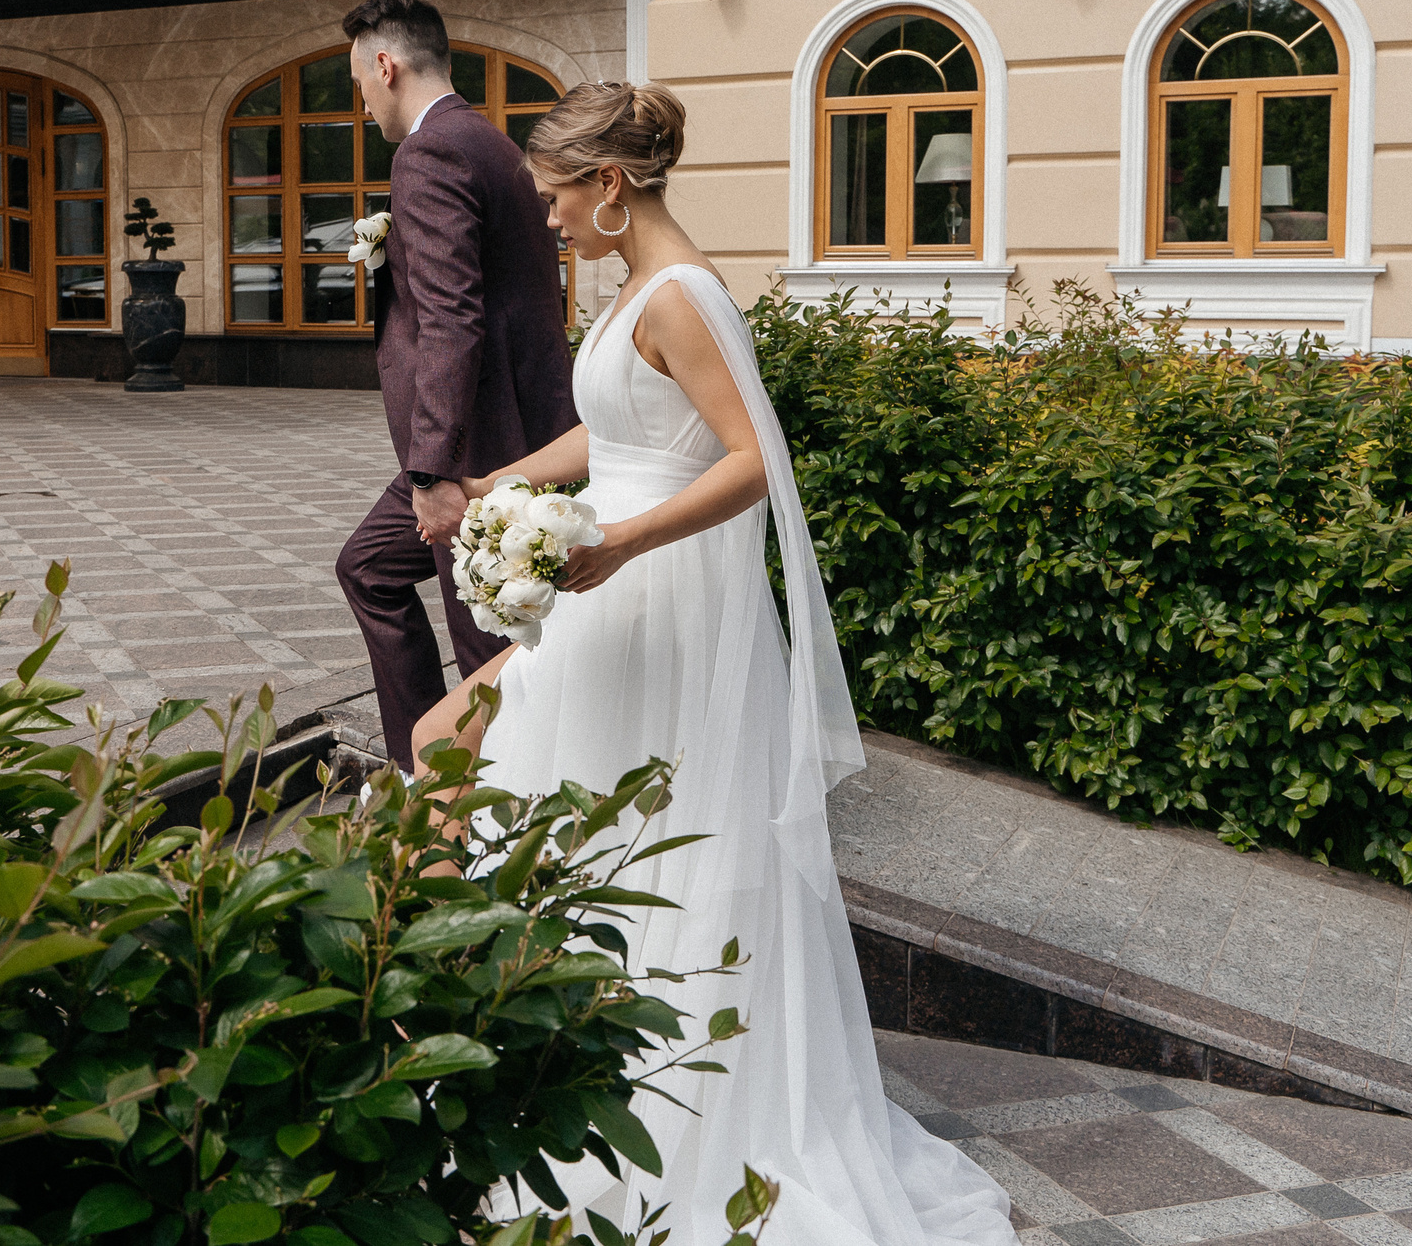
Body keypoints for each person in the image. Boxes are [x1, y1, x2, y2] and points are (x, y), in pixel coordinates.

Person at [408, 83, 1018, 1246]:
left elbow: (749, 462)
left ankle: (585, 1082)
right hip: (609, 579)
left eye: (553, 196)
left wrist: (616, 541)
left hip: (642, 586)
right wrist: (505, 486)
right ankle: (514, 1055)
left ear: (610, 186)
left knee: (486, 764)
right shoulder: (642, 289)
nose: (541, 217)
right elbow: (618, 431)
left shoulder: (681, 295)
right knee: (506, 777)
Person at [333, 0, 577, 770]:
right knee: (370, 566)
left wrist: (435, 470)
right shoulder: (492, 142)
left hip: (476, 448)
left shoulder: (428, 152)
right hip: (521, 423)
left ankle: (483, 813)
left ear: (385, 63)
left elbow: (451, 320)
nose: (363, 102)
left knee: (490, 642)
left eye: (359, 83)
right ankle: (422, 769)